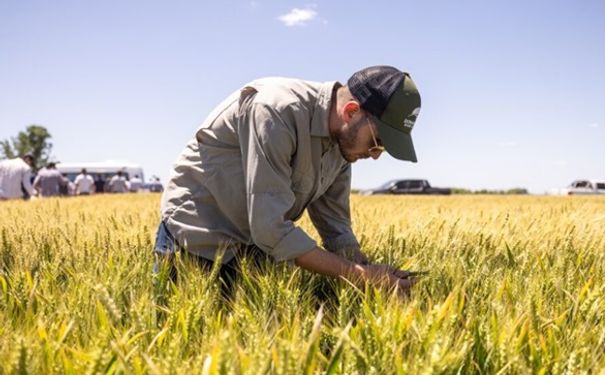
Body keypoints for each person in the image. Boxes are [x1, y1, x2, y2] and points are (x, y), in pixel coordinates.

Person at [155, 65, 422, 293]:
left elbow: (336, 227)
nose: (375, 155)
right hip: (196, 240)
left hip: (252, 250)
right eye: (378, 142)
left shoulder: (344, 144)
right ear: (351, 112)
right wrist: (362, 277)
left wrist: (377, 275)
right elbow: (269, 227)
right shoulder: (275, 111)